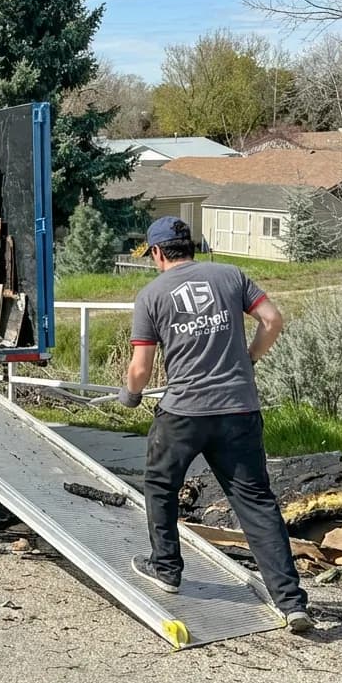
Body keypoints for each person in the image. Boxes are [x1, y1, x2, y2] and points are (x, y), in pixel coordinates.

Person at [118, 216, 313, 634]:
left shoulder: (152, 294)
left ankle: (166, 568)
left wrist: (131, 395)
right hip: (238, 410)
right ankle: (291, 602)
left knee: (160, 485)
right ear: (191, 245)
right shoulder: (231, 275)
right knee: (256, 501)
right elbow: (273, 320)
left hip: (184, 412)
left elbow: (141, 367)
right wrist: (250, 359)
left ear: (156, 252)